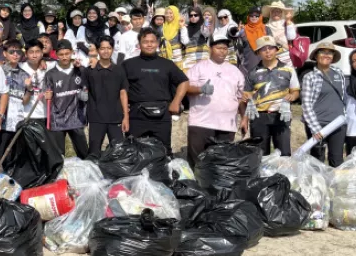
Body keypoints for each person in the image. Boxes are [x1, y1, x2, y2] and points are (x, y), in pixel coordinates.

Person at [123, 27, 189, 155]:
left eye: (152, 41)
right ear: (139, 44)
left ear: (157, 43)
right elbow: (120, 89)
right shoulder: (128, 64)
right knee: (133, 151)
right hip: (136, 115)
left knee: (163, 152)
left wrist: (176, 102)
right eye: (145, 42)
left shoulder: (167, 64)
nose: (149, 45)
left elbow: (184, 82)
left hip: (162, 115)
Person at [185, 34, 246, 166]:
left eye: (225, 48)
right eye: (219, 48)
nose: (222, 51)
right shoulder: (198, 67)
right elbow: (185, 87)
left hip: (226, 125)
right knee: (197, 162)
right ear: (210, 48)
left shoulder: (235, 71)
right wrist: (200, 89)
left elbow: (241, 97)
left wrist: (244, 118)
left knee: (221, 164)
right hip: (201, 123)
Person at [241, 36, 300, 156]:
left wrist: (292, 97)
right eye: (263, 49)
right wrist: (245, 119)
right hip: (259, 117)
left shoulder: (288, 69)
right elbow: (246, 97)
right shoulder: (252, 72)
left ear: (276, 50)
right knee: (260, 154)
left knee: (284, 154)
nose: (268, 52)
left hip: (281, 115)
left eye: (271, 48)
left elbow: (295, 91)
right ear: (258, 53)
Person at [301, 42, 347, 167]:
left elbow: (344, 97)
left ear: (333, 56)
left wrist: (345, 116)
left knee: (337, 159)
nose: (326, 55)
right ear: (316, 56)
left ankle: (334, 180)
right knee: (317, 161)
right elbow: (306, 104)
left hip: (338, 123)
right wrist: (315, 128)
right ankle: (317, 180)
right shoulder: (309, 77)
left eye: (330, 53)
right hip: (318, 124)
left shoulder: (339, 73)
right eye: (322, 52)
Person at [85, 36, 129, 158]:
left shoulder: (119, 70)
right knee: (94, 153)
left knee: (118, 154)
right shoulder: (90, 70)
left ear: (113, 49)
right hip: (96, 118)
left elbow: (123, 93)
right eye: (102, 48)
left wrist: (126, 117)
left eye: (109, 48)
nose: (106, 51)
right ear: (98, 50)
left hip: (116, 118)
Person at [43, 40, 89, 158]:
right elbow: (46, 95)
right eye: (61, 54)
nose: (64, 57)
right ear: (56, 55)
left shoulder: (81, 70)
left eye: (67, 54)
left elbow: (87, 88)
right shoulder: (50, 74)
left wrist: (81, 68)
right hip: (58, 120)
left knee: (84, 154)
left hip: (77, 118)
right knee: (59, 156)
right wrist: (45, 96)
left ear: (72, 52)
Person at [0, 40, 33, 157]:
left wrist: (29, 89)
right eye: (12, 52)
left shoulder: (25, 75)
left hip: (16, 120)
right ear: (4, 53)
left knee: (13, 153)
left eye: (18, 52)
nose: (15, 54)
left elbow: (25, 101)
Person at [182, 1, 210, 72]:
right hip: (189, 57)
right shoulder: (185, 27)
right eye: (191, 15)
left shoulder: (203, 26)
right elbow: (184, 42)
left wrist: (206, 24)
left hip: (202, 55)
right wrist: (182, 28)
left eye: (195, 15)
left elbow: (206, 34)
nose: (193, 17)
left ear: (199, 16)